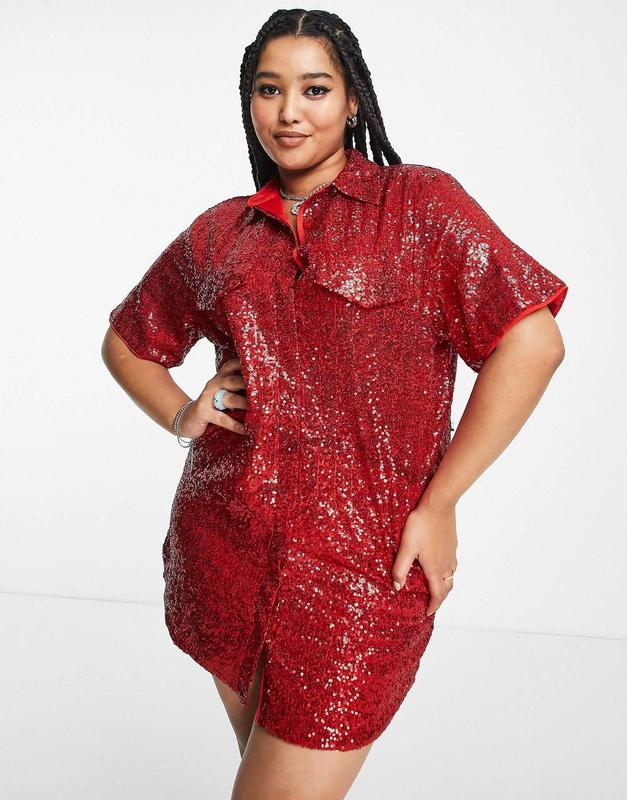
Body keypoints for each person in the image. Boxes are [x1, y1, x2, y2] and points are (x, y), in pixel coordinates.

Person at [102, 9, 568, 800]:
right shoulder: (220, 233)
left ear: (353, 100)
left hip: (362, 568)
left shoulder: (418, 204)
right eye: (268, 90)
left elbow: (532, 343)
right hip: (224, 547)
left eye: (314, 89)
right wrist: (184, 413)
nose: (289, 112)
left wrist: (439, 503)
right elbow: (127, 342)